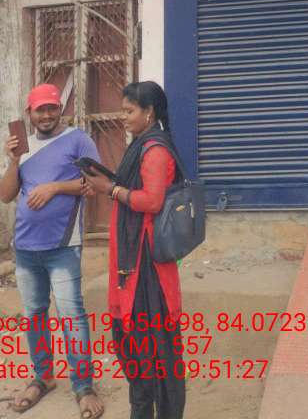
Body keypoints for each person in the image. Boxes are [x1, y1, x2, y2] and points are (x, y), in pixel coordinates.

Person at [0, 83, 104, 419]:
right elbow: (5, 195)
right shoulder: (23, 147)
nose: (46, 115)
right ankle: (43, 377)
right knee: (34, 315)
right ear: (28, 113)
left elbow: (96, 183)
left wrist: (55, 186)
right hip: (25, 246)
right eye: (39, 109)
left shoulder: (78, 140)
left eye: (52, 108)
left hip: (63, 246)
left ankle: (83, 386)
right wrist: (14, 161)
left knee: (71, 315)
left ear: (60, 109)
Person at [82, 81, 185, 419]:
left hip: (146, 266)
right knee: (138, 349)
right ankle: (141, 408)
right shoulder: (141, 145)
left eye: (129, 111)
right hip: (133, 258)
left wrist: (110, 189)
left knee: (154, 349)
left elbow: (152, 201)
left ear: (149, 112)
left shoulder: (154, 150)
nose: (123, 116)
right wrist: (108, 183)